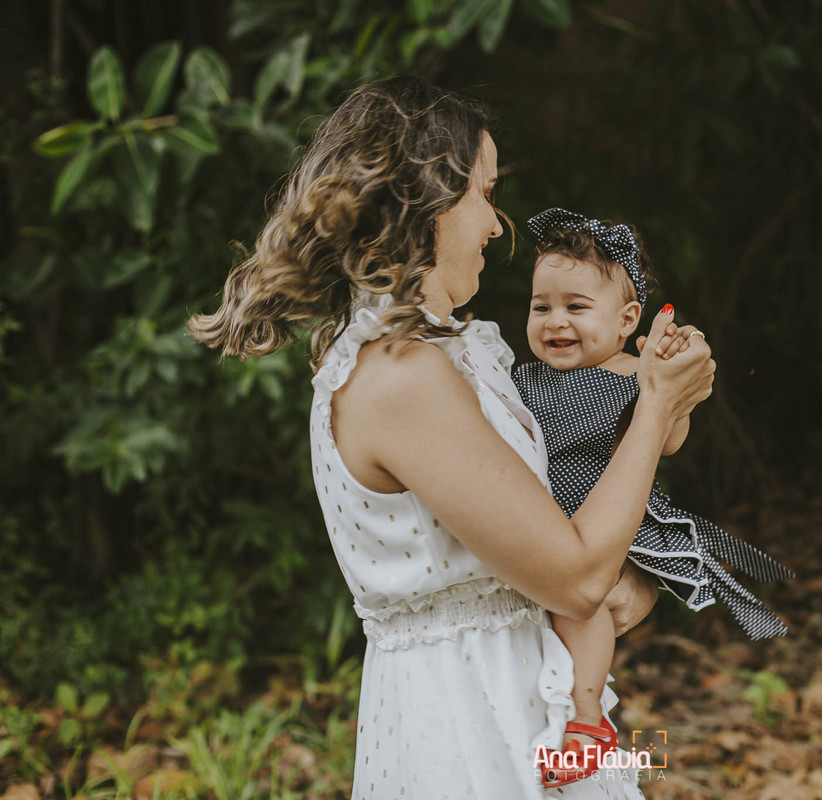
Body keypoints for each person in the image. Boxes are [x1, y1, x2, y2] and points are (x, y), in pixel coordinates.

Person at [188, 77, 715, 799]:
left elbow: (545, 546)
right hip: (468, 723)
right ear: (425, 200)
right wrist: (654, 410)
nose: (497, 226)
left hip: (529, 693)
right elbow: (572, 574)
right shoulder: (399, 376)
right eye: (484, 193)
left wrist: (630, 583)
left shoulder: (458, 352)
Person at [511, 208, 793, 786]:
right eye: (542, 306)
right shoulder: (521, 376)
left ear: (626, 320)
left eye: (577, 307)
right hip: (541, 524)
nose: (555, 321)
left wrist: (669, 391)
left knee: (583, 602)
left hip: (594, 522)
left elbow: (666, 439)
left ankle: (587, 720)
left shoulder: (630, 373)